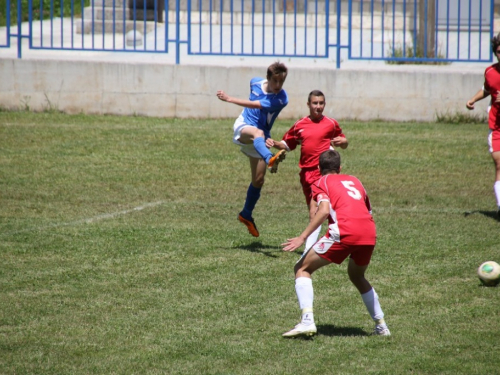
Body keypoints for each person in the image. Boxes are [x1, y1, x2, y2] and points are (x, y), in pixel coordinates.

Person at [281, 149, 390, 338]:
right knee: (357, 276)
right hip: (369, 233)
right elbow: (367, 210)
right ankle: (381, 326)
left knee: (302, 268)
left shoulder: (321, 181)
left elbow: (323, 211)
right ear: (339, 168)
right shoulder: (355, 180)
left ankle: (307, 321)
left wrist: (302, 237)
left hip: (345, 232)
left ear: (319, 168)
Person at [216, 61, 289, 237]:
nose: (278, 86)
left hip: (260, 136)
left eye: (282, 82)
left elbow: (255, 104)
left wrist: (230, 99)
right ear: (268, 78)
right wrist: (229, 99)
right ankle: (269, 158)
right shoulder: (255, 82)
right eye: (275, 81)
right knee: (258, 133)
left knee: (258, 180)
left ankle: (246, 214)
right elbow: (253, 96)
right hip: (245, 128)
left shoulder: (280, 99)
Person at [273, 90, 348, 250]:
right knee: (317, 212)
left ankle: (309, 251)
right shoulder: (300, 125)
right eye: (315, 103)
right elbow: (287, 144)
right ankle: (334, 240)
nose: (318, 106)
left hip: (323, 172)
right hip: (306, 174)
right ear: (308, 105)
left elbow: (343, 141)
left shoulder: (331, 124)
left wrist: (344, 141)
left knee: (316, 212)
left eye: (321, 103)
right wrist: (272, 143)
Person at [466, 32, 500, 216]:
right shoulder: (490, 72)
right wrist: (472, 99)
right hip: (497, 127)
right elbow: (487, 89)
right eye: (499, 51)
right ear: (495, 52)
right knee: (499, 163)